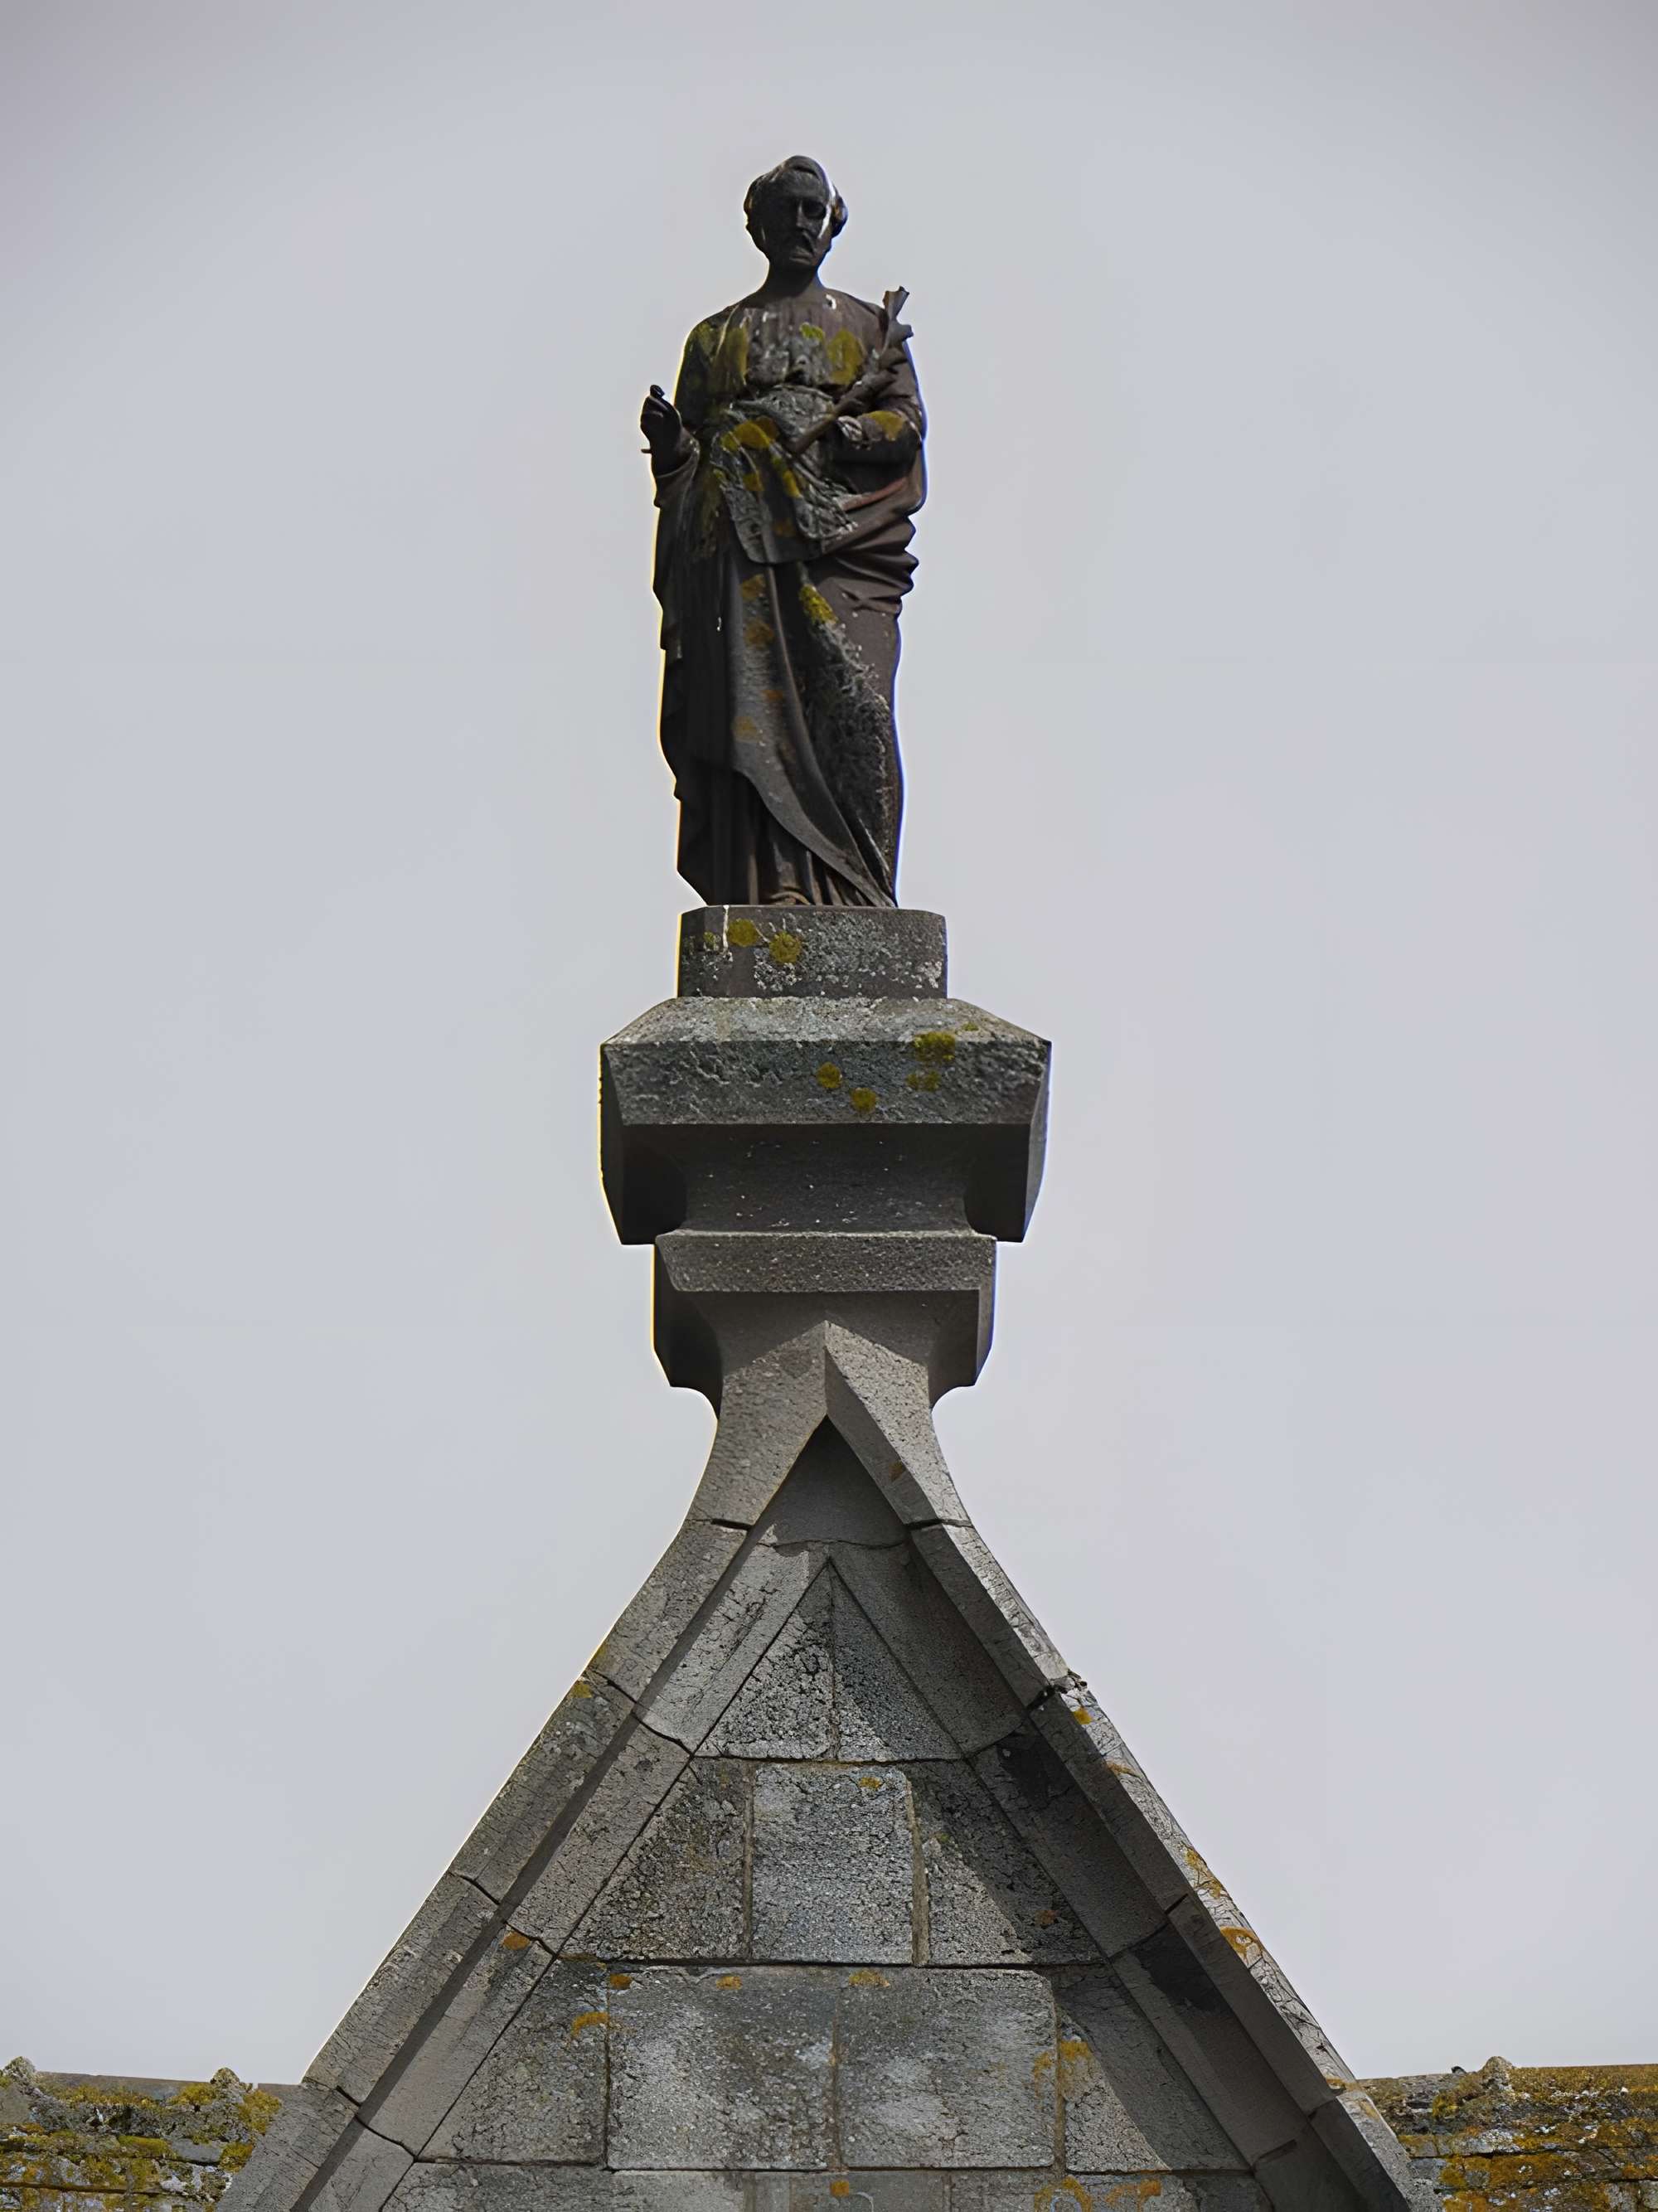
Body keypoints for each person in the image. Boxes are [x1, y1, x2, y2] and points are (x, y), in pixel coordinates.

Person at [641, 157, 924, 907]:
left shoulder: (869, 329)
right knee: (749, 708)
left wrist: (848, 435)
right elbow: (690, 458)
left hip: (843, 548)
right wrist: (673, 448)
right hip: (739, 558)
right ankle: (771, 891)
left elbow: (907, 425)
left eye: (813, 210)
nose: (801, 224)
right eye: (787, 210)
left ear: (832, 222)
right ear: (757, 225)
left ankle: (861, 893)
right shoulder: (714, 339)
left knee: (857, 708)